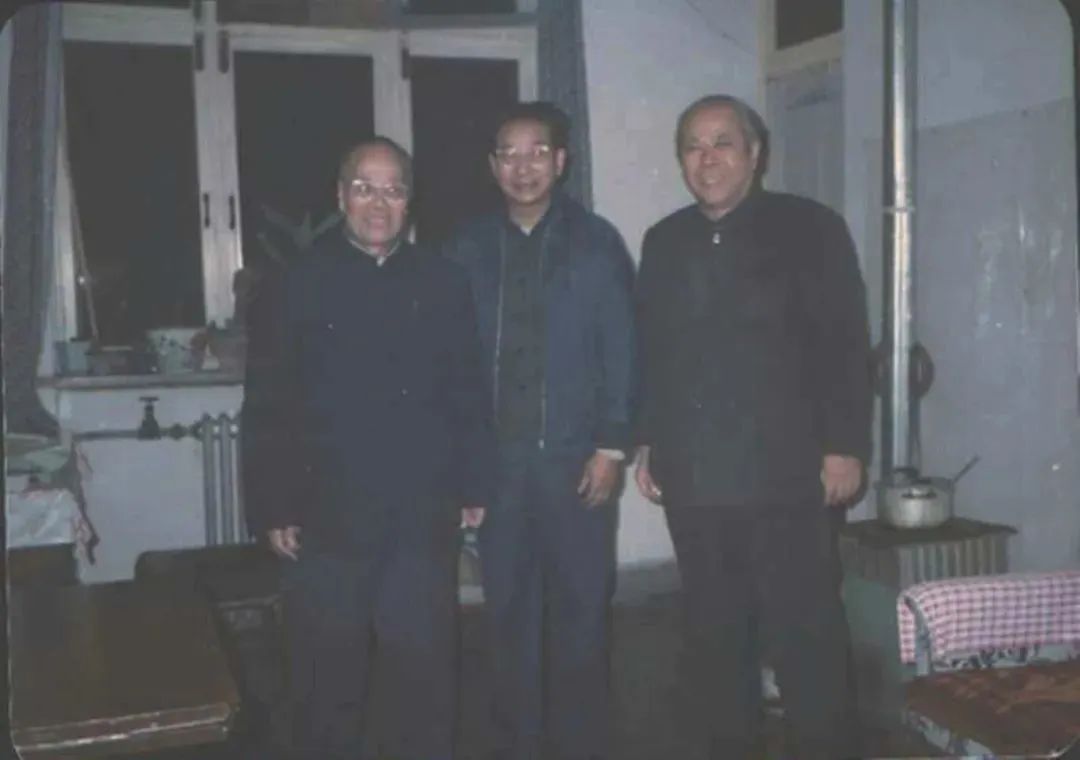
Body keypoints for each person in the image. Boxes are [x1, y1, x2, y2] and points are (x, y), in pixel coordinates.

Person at [634, 94, 872, 760]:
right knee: (715, 636)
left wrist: (845, 446)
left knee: (806, 634)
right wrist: (649, 440)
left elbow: (845, 343)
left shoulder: (811, 228)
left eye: (723, 143)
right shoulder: (664, 240)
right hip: (696, 478)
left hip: (789, 477)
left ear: (756, 153)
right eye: (693, 146)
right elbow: (652, 351)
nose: (707, 159)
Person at [241, 136, 495, 760]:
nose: (378, 204)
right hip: (325, 519)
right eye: (364, 188)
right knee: (326, 685)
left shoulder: (444, 281)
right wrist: (273, 505)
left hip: (419, 518)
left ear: (410, 201)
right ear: (340, 197)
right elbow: (268, 402)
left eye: (393, 190)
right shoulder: (294, 284)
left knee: (425, 678)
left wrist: (473, 484)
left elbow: (467, 390)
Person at [444, 102, 636, 760]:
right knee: (507, 610)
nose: (522, 167)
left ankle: (582, 740)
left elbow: (622, 350)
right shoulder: (466, 248)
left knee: (582, 606)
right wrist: (463, 466)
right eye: (509, 153)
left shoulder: (597, 243)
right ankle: (519, 740)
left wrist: (611, 448)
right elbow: (450, 364)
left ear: (560, 161)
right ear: (492, 165)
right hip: (497, 466)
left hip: (576, 461)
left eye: (536, 152)